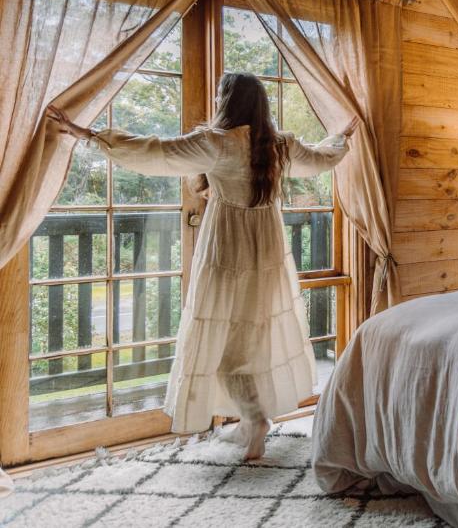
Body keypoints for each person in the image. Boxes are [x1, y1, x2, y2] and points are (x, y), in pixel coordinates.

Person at [48, 72, 356, 460]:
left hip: (228, 247)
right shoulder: (278, 145)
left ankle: (254, 419)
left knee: (225, 342)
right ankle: (251, 422)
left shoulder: (218, 143)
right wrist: (341, 138)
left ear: (226, 102)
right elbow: (320, 159)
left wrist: (87, 135)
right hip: (267, 249)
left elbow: (156, 152)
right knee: (251, 338)